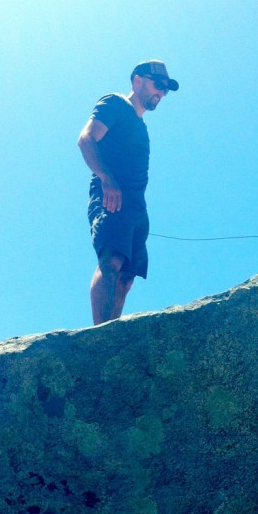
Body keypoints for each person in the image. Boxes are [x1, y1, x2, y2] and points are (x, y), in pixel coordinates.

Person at [78, 60, 179, 324]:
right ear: (137, 80)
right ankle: (99, 336)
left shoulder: (142, 128)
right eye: (158, 85)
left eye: (166, 90)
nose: (161, 93)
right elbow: (86, 138)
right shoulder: (115, 104)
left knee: (126, 278)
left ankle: (112, 332)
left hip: (136, 207)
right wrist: (106, 178)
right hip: (112, 196)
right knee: (111, 260)